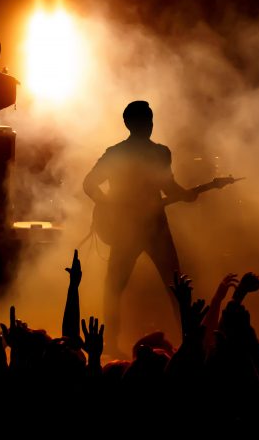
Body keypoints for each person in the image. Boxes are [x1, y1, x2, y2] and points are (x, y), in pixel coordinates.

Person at [83, 100, 198, 356]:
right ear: (135, 123)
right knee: (174, 286)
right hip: (150, 228)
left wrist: (108, 203)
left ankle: (110, 343)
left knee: (116, 286)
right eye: (146, 120)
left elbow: (89, 184)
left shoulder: (118, 153)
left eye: (149, 119)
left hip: (133, 228)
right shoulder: (159, 153)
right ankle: (188, 340)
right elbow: (169, 187)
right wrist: (186, 195)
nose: (149, 124)